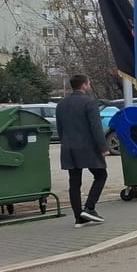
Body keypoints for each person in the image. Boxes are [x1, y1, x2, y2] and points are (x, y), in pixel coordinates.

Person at [55, 74, 108, 227]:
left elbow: (59, 128)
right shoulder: (89, 102)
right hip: (88, 147)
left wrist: (65, 142)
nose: (89, 85)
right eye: (88, 83)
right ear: (84, 85)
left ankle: (79, 218)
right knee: (101, 175)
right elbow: (96, 127)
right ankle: (89, 208)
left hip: (69, 148)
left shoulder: (61, 104)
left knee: (74, 182)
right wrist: (103, 148)